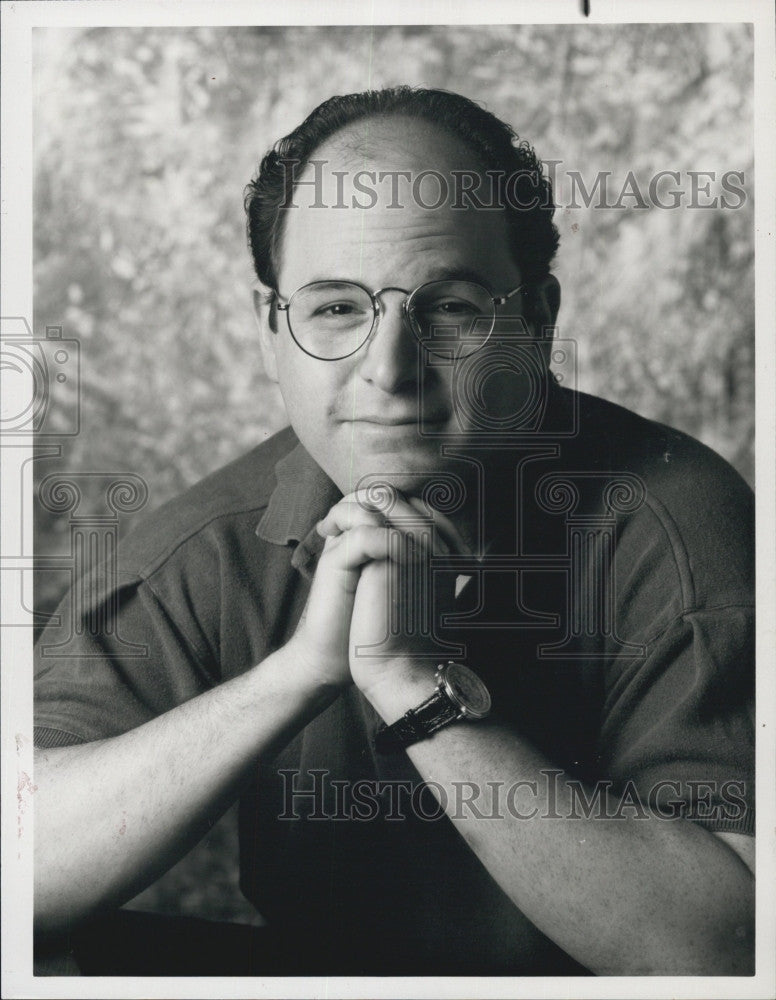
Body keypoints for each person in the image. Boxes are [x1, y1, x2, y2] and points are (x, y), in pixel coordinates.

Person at [33, 86, 755, 977]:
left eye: (449, 308)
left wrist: (414, 687)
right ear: (272, 333)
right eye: (335, 308)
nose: (389, 370)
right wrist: (301, 672)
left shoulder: (679, 525)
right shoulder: (212, 544)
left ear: (536, 321)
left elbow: (729, 953)